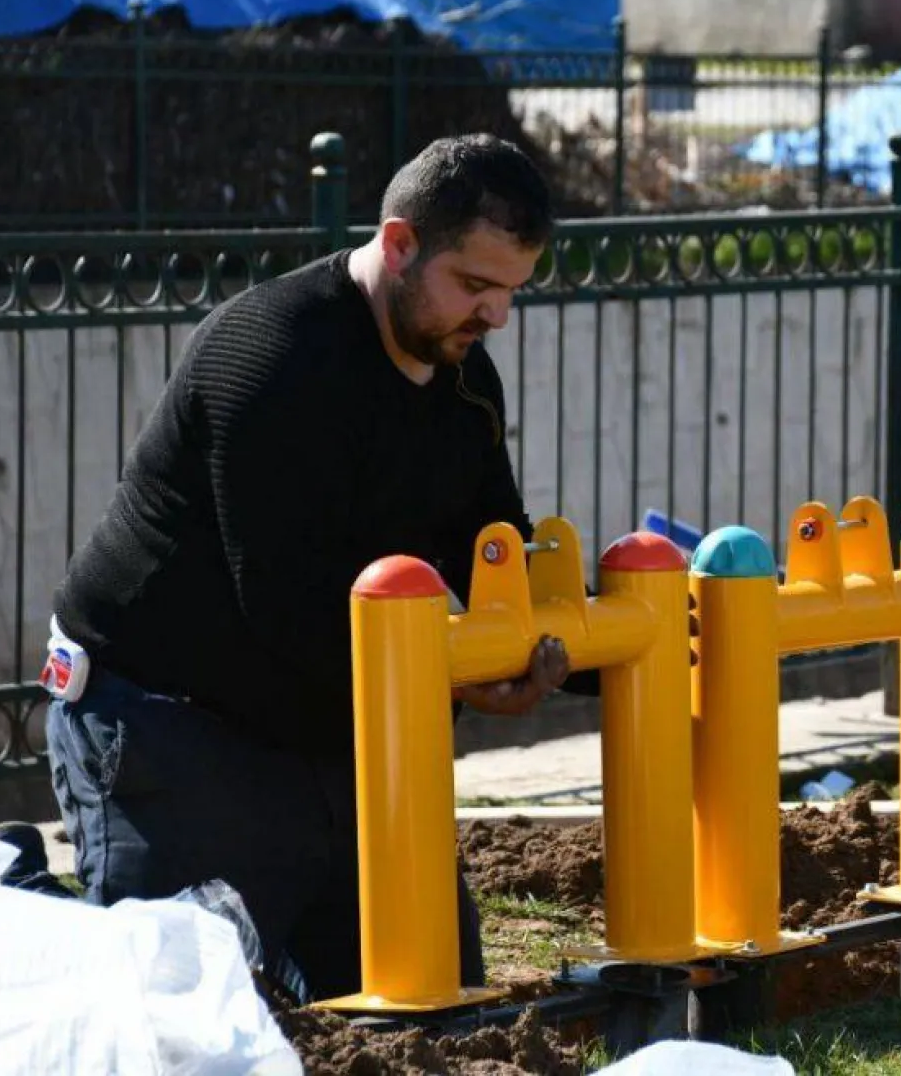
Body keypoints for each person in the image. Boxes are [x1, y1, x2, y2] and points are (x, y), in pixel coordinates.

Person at [35, 134, 580, 1005]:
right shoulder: (273, 356)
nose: (496, 319)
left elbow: (494, 551)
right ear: (399, 244)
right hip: (166, 712)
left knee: (431, 996)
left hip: (326, 708)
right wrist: (453, 678)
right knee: (186, 1011)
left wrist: (574, 647)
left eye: (512, 292)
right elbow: (284, 606)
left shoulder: (461, 376)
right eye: (475, 287)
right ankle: (17, 910)